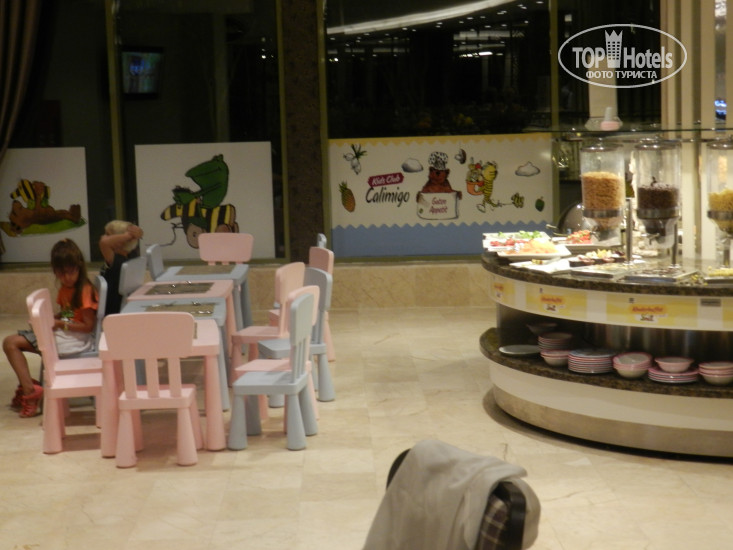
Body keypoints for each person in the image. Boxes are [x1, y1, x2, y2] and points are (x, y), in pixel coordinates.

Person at [4, 239, 98, 418]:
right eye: (62, 273)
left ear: (79, 267)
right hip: (67, 335)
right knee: (10, 342)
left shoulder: (85, 290)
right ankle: (28, 386)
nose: (67, 277)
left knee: (10, 344)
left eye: (71, 272)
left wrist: (59, 323)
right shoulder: (66, 289)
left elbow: (88, 326)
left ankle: (30, 391)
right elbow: (71, 313)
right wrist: (54, 317)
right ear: (55, 271)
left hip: (76, 341)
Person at [99, 220, 143, 315]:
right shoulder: (132, 255)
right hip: (125, 307)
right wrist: (136, 234)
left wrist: (128, 236)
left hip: (112, 309)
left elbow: (103, 242)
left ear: (120, 242)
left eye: (108, 235)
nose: (103, 237)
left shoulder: (115, 260)